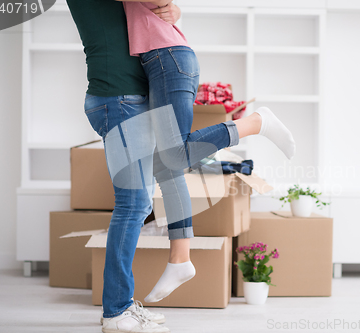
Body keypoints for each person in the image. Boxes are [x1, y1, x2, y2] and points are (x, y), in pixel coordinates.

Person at [67, 0, 295, 332]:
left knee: (146, 193)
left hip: (128, 97)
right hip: (117, 99)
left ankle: (132, 297)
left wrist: (174, 10)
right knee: (133, 203)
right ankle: (116, 311)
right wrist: (169, 6)